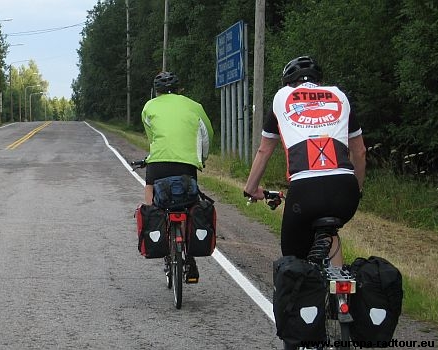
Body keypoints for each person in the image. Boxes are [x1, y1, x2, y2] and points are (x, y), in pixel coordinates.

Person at [243, 56, 366, 267]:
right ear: (318, 81)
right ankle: (340, 295)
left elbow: (264, 150)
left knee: (294, 258)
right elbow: (361, 152)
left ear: (289, 82)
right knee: (330, 232)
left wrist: (251, 189)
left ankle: (307, 295)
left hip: (305, 191)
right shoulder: (339, 95)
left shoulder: (282, 97)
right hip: (345, 191)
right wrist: (357, 191)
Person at [141, 71, 214, 282]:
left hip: (158, 163)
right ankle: (190, 257)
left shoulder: (149, 107)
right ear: (180, 89)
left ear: (157, 92)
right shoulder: (194, 106)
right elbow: (207, 136)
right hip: (187, 165)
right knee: (189, 204)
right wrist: (202, 158)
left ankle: (152, 218)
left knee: (150, 185)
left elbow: (152, 137)